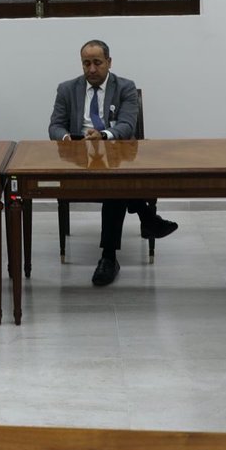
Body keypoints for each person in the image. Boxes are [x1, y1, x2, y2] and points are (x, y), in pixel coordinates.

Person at [48, 40, 178, 287]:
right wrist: (68, 140)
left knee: (114, 183)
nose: (92, 69)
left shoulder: (125, 87)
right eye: (86, 63)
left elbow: (127, 125)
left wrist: (105, 134)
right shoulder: (67, 89)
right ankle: (148, 219)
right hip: (79, 158)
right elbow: (55, 125)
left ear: (109, 62)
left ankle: (109, 257)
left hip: (116, 154)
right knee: (117, 183)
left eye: (97, 62)